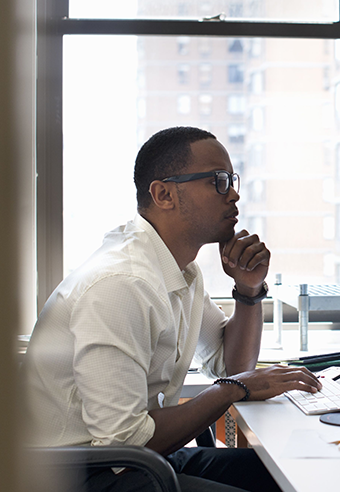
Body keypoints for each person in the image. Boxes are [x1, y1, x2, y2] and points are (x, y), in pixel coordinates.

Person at [22, 126, 322, 492]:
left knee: (288, 472)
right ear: (163, 194)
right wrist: (229, 391)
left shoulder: (180, 272)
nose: (235, 194)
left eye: (232, 180)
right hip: (82, 472)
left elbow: (232, 366)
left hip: (135, 459)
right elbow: (125, 443)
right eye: (219, 181)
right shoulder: (122, 284)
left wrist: (248, 290)